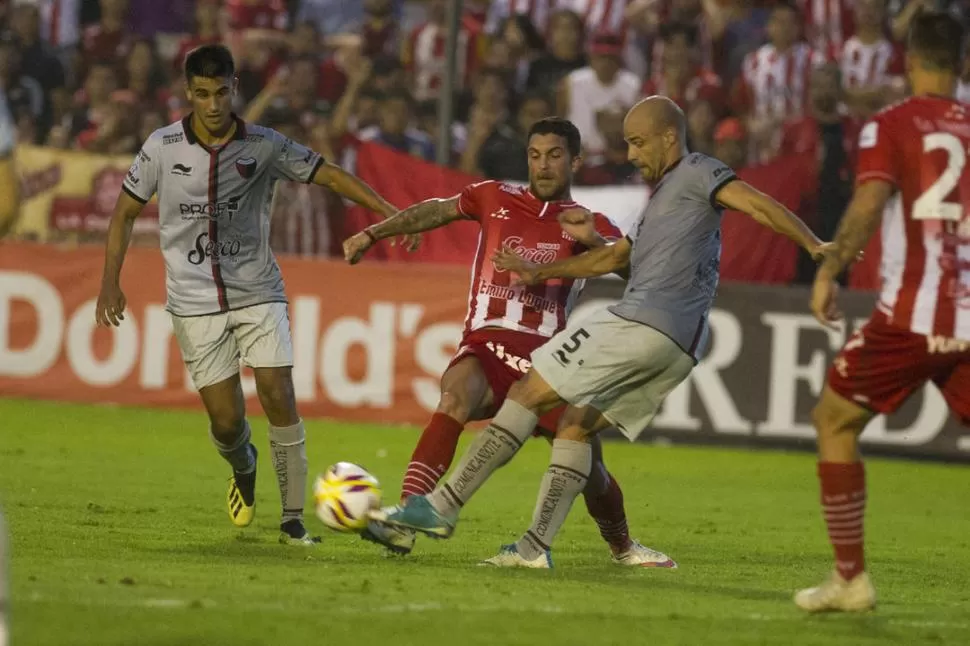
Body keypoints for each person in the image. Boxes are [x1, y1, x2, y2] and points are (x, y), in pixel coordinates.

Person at [369, 96, 829, 568]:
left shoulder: (696, 171)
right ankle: (534, 550)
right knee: (577, 427)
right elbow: (613, 258)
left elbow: (755, 203)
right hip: (685, 344)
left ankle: (439, 508)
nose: (630, 155)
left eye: (636, 142)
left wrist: (813, 244)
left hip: (641, 321)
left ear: (669, 136)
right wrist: (545, 265)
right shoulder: (661, 200)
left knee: (526, 393)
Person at [94, 44, 402, 546]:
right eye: (201, 94)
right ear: (188, 93)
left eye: (220, 93)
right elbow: (124, 213)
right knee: (227, 420)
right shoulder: (161, 147)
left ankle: (293, 521)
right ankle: (244, 464)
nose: (212, 105)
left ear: (235, 89)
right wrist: (110, 280)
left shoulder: (265, 144)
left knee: (278, 392)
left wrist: (387, 211)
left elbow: (328, 173)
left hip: (258, 289)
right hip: (193, 300)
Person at [342, 117, 676, 568]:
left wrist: (593, 241)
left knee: (588, 466)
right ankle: (407, 520)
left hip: (547, 359)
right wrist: (372, 232)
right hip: (486, 342)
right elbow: (437, 209)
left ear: (575, 160)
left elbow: (636, 274)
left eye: (554, 156)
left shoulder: (589, 222)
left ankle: (622, 546)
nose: (543, 165)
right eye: (535, 155)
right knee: (455, 394)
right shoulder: (494, 196)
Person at [799, 12, 969, 613]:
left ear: (906, 59)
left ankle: (851, 578)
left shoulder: (891, 125)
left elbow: (869, 202)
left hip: (913, 315)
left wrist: (828, 269)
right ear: (963, 64)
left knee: (835, 419)